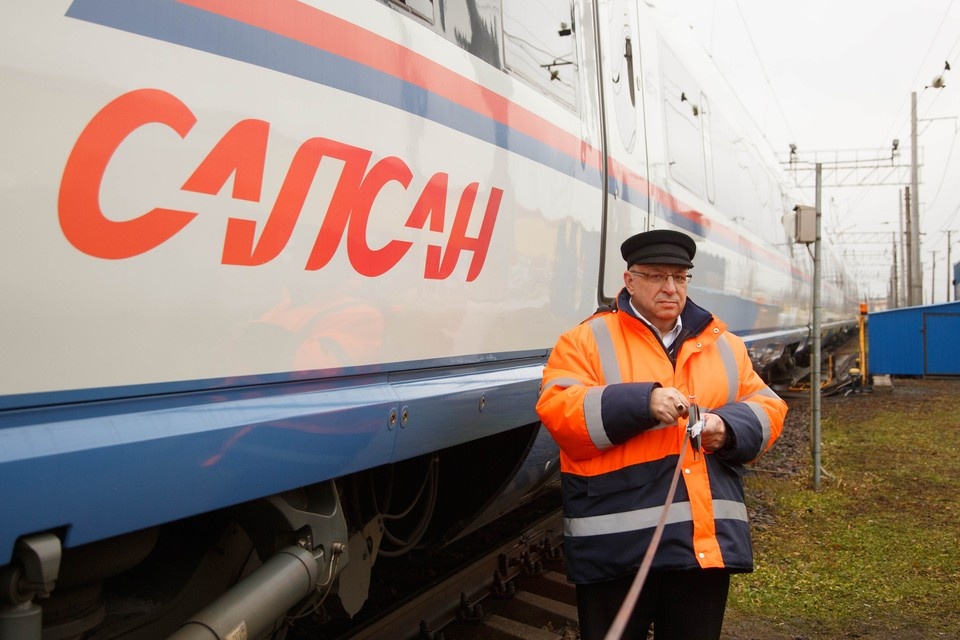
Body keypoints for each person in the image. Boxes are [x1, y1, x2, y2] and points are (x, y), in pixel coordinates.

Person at [535, 229, 787, 640]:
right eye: (655, 276)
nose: (670, 287)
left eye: (680, 277)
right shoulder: (585, 340)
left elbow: (769, 407)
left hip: (700, 548)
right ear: (629, 280)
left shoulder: (724, 344)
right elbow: (558, 409)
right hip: (616, 550)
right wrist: (643, 402)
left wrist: (727, 429)